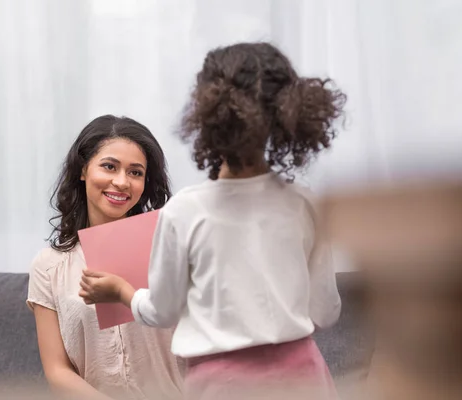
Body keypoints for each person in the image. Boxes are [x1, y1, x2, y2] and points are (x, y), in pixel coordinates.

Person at [80, 43, 346, 399]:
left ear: (206, 115)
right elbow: (326, 312)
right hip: (304, 377)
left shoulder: (185, 212)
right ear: (290, 113)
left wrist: (121, 292)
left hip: (222, 385)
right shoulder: (307, 204)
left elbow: (162, 311)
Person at [27, 115, 183, 400]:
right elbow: (57, 371)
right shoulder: (48, 267)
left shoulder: (170, 249)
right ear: (83, 169)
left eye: (135, 172)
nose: (122, 182)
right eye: (109, 166)